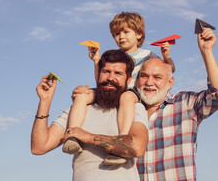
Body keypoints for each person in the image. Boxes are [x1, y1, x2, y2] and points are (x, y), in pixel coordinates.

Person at [64, 12, 176, 164]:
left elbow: (169, 69)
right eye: (116, 34)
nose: (120, 37)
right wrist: (97, 61)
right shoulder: (114, 56)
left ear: (138, 34)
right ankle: (72, 135)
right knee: (82, 95)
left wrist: (166, 57)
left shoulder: (148, 55)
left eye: (125, 32)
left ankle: (122, 141)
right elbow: (100, 80)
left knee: (127, 97)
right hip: (110, 91)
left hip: (131, 93)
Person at [31, 50, 149, 181]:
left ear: (128, 81)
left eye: (118, 73)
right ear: (98, 74)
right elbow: (39, 147)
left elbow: (137, 148)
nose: (110, 78)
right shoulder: (78, 109)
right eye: (106, 71)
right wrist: (45, 101)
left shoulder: (134, 108)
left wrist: (87, 136)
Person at [135, 27, 218, 180]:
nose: (149, 82)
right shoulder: (129, 112)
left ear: (170, 82)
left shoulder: (186, 104)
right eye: (144, 76)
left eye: (157, 77)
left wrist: (206, 51)